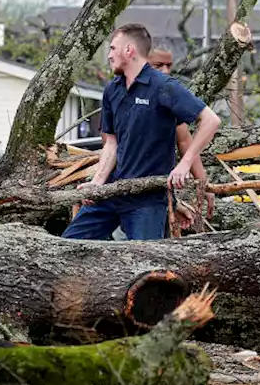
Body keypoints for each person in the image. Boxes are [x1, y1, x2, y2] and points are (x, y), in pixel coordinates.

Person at [65, 25, 221, 241]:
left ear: (129, 50)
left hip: (148, 200)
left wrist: (185, 164)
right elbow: (111, 144)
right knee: (68, 246)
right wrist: (97, 183)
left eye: (112, 48)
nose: (109, 55)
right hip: (112, 191)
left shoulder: (163, 86)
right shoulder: (112, 89)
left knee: (146, 266)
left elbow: (211, 121)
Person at [147, 47, 215, 230]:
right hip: (124, 191)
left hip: (157, 192)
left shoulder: (167, 94)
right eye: (158, 65)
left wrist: (204, 185)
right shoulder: (124, 92)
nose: (165, 71)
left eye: (169, 66)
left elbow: (185, 140)